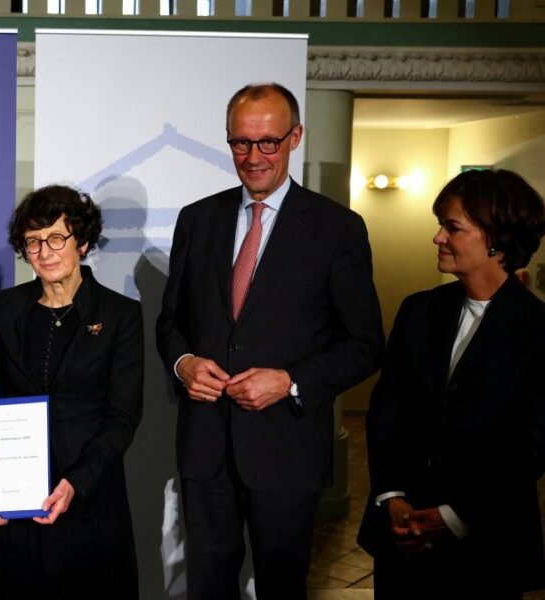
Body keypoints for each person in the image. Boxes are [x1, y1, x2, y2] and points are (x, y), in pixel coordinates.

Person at [155, 82, 384, 599]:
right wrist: (184, 362)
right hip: (206, 449)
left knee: (282, 588)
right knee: (206, 586)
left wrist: (290, 380)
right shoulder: (197, 220)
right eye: (241, 142)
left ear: (295, 137)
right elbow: (170, 322)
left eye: (268, 142)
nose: (253, 157)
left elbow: (365, 344)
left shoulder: (337, 228)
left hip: (287, 452)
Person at [358, 169, 545, 598]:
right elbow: (387, 410)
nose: (437, 237)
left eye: (452, 228)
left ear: (496, 241)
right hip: (401, 537)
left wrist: (454, 515)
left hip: (487, 544)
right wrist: (392, 495)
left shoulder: (537, 330)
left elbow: (532, 445)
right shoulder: (418, 310)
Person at [0, 185, 143, 598]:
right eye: (33, 241)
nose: (44, 252)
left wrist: (75, 483)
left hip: (87, 494)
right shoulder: (3, 308)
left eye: (56, 238)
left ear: (81, 242)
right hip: (15, 497)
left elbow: (122, 417)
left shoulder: (120, 315)